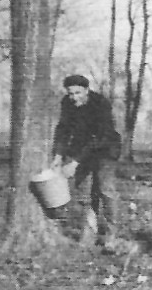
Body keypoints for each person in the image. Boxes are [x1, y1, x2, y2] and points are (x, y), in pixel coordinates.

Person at [52, 74, 121, 248]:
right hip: (81, 149)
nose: (74, 97)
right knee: (84, 193)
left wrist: (75, 163)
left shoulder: (101, 104)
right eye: (70, 93)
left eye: (78, 93)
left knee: (105, 190)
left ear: (87, 90)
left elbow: (98, 137)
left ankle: (111, 234)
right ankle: (89, 232)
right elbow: (63, 129)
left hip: (105, 149)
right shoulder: (67, 103)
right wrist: (58, 155)